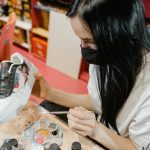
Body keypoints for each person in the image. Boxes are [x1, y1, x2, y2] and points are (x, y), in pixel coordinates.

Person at [32, 0, 150, 149]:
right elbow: (96, 101)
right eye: (80, 40)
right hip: (103, 128)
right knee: (46, 107)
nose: (83, 48)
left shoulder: (146, 89)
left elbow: (137, 147)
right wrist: (48, 93)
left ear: (119, 34)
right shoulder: (106, 57)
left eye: (88, 41)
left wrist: (97, 131)